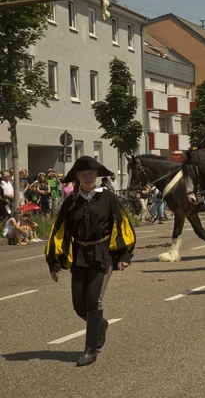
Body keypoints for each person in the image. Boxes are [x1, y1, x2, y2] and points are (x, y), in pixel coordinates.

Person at [45, 156, 136, 367]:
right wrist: (54, 262)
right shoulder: (70, 202)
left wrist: (124, 255)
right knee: (79, 305)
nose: (88, 177)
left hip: (102, 254)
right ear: (77, 177)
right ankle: (100, 325)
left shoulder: (109, 198)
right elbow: (59, 232)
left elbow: (122, 225)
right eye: (84, 174)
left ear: (97, 176)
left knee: (93, 300)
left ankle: (90, 349)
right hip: (79, 255)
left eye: (92, 174)